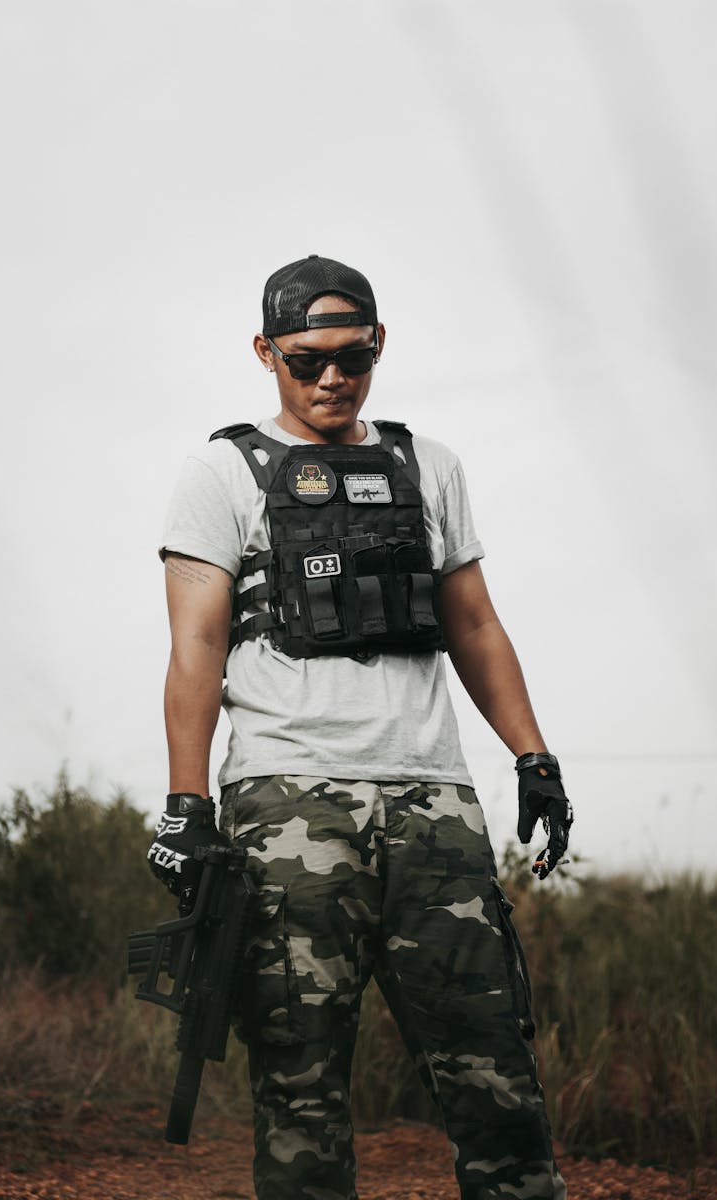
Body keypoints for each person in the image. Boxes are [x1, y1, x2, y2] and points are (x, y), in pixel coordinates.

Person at [148, 254, 572, 1200]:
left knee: (496, 1075)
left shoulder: (429, 465)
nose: (333, 379)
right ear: (266, 353)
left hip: (434, 803)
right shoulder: (221, 471)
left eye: (354, 356)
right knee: (300, 1088)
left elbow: (474, 624)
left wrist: (532, 757)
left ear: (379, 345)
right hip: (288, 804)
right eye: (307, 361)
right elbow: (196, 649)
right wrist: (185, 803)